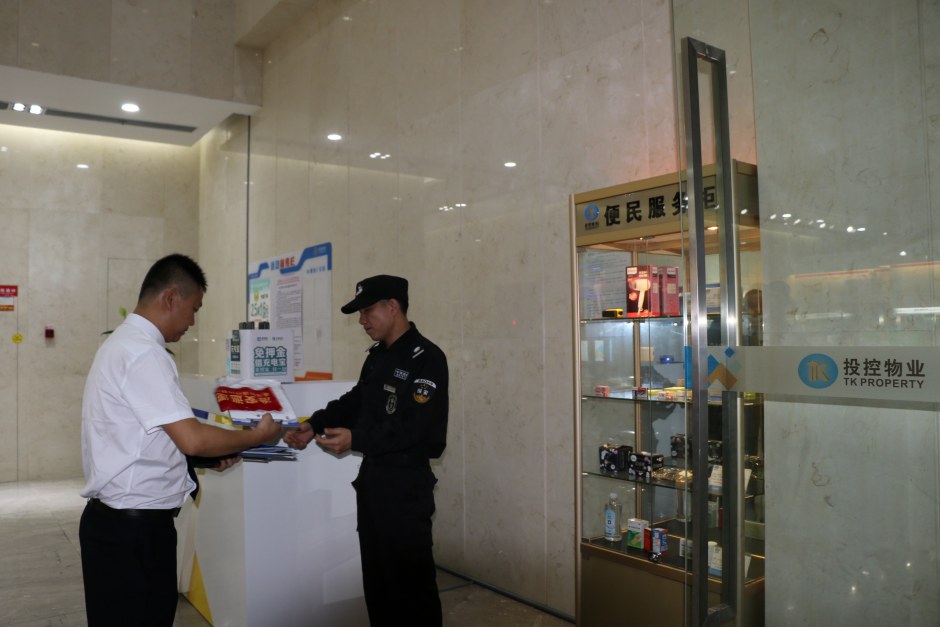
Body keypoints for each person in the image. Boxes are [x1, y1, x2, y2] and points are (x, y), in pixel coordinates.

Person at [79, 253, 281, 627]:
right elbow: (192, 438)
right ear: (171, 297)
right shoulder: (144, 354)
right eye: (194, 308)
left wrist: (202, 460)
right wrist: (256, 436)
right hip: (134, 533)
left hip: (118, 526)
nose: (192, 321)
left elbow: (145, 438)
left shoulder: (122, 345)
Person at [285, 274, 448, 626]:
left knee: (412, 589)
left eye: (367, 310)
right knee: (378, 585)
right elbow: (356, 401)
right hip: (373, 483)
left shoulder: (427, 358)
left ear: (393, 307)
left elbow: (414, 427)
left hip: (406, 488)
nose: (361, 320)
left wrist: (355, 439)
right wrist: (314, 424)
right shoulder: (378, 357)